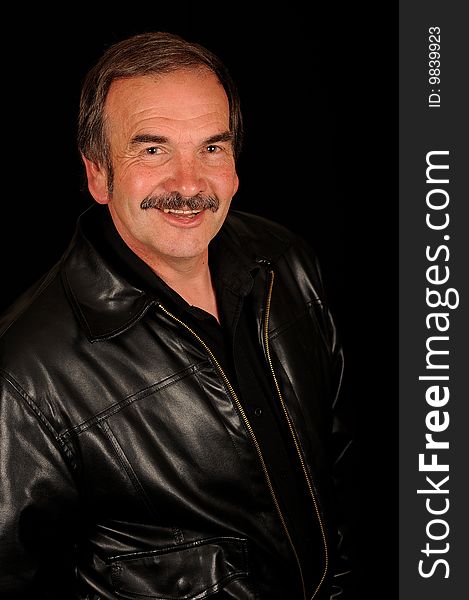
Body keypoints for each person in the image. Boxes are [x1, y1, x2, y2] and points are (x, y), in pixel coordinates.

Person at [0, 31, 354, 599]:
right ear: (98, 174)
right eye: (153, 149)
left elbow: (342, 471)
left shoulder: (287, 264)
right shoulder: (24, 372)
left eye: (211, 148)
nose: (189, 184)